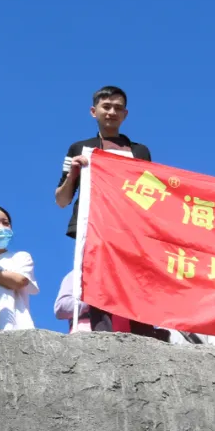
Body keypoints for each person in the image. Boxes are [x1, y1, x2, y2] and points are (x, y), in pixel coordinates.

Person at [55, 86, 160, 337]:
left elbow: (153, 194)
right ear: (94, 112)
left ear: (125, 114)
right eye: (106, 107)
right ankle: (103, 337)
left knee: (138, 281)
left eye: (117, 108)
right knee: (98, 279)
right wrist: (74, 174)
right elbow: (61, 199)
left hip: (132, 228)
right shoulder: (79, 148)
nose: (112, 112)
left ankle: (144, 336)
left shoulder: (140, 151)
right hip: (94, 224)